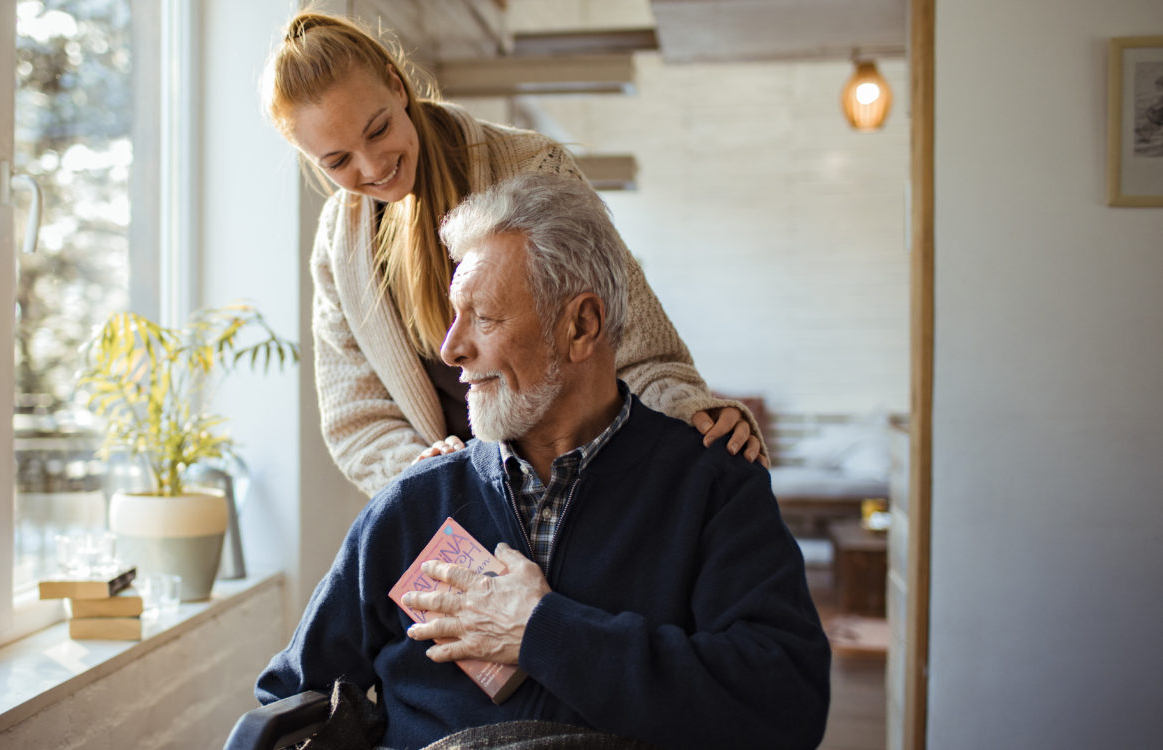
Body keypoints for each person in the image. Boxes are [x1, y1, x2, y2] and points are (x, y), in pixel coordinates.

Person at [256, 174, 831, 750]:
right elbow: (288, 698)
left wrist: (542, 631)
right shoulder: (416, 502)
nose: (451, 348)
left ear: (581, 326)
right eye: (454, 317)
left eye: (483, 317)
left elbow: (786, 708)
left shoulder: (713, 486)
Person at [263, 11, 767, 497]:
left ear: (398, 86)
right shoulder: (338, 245)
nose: (373, 165)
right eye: (338, 161)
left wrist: (692, 411)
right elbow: (358, 417)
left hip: (583, 480)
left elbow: (631, 336)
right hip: (456, 505)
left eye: (378, 130)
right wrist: (421, 475)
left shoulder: (532, 166)